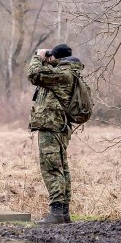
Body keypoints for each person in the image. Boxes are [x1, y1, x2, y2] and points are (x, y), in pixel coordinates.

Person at [27, 43, 84, 224]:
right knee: (61, 168)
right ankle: (63, 212)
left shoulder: (62, 75)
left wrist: (38, 56)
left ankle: (57, 212)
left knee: (52, 168)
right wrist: (49, 58)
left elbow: (34, 74)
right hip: (58, 126)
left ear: (56, 59)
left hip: (52, 127)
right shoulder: (67, 73)